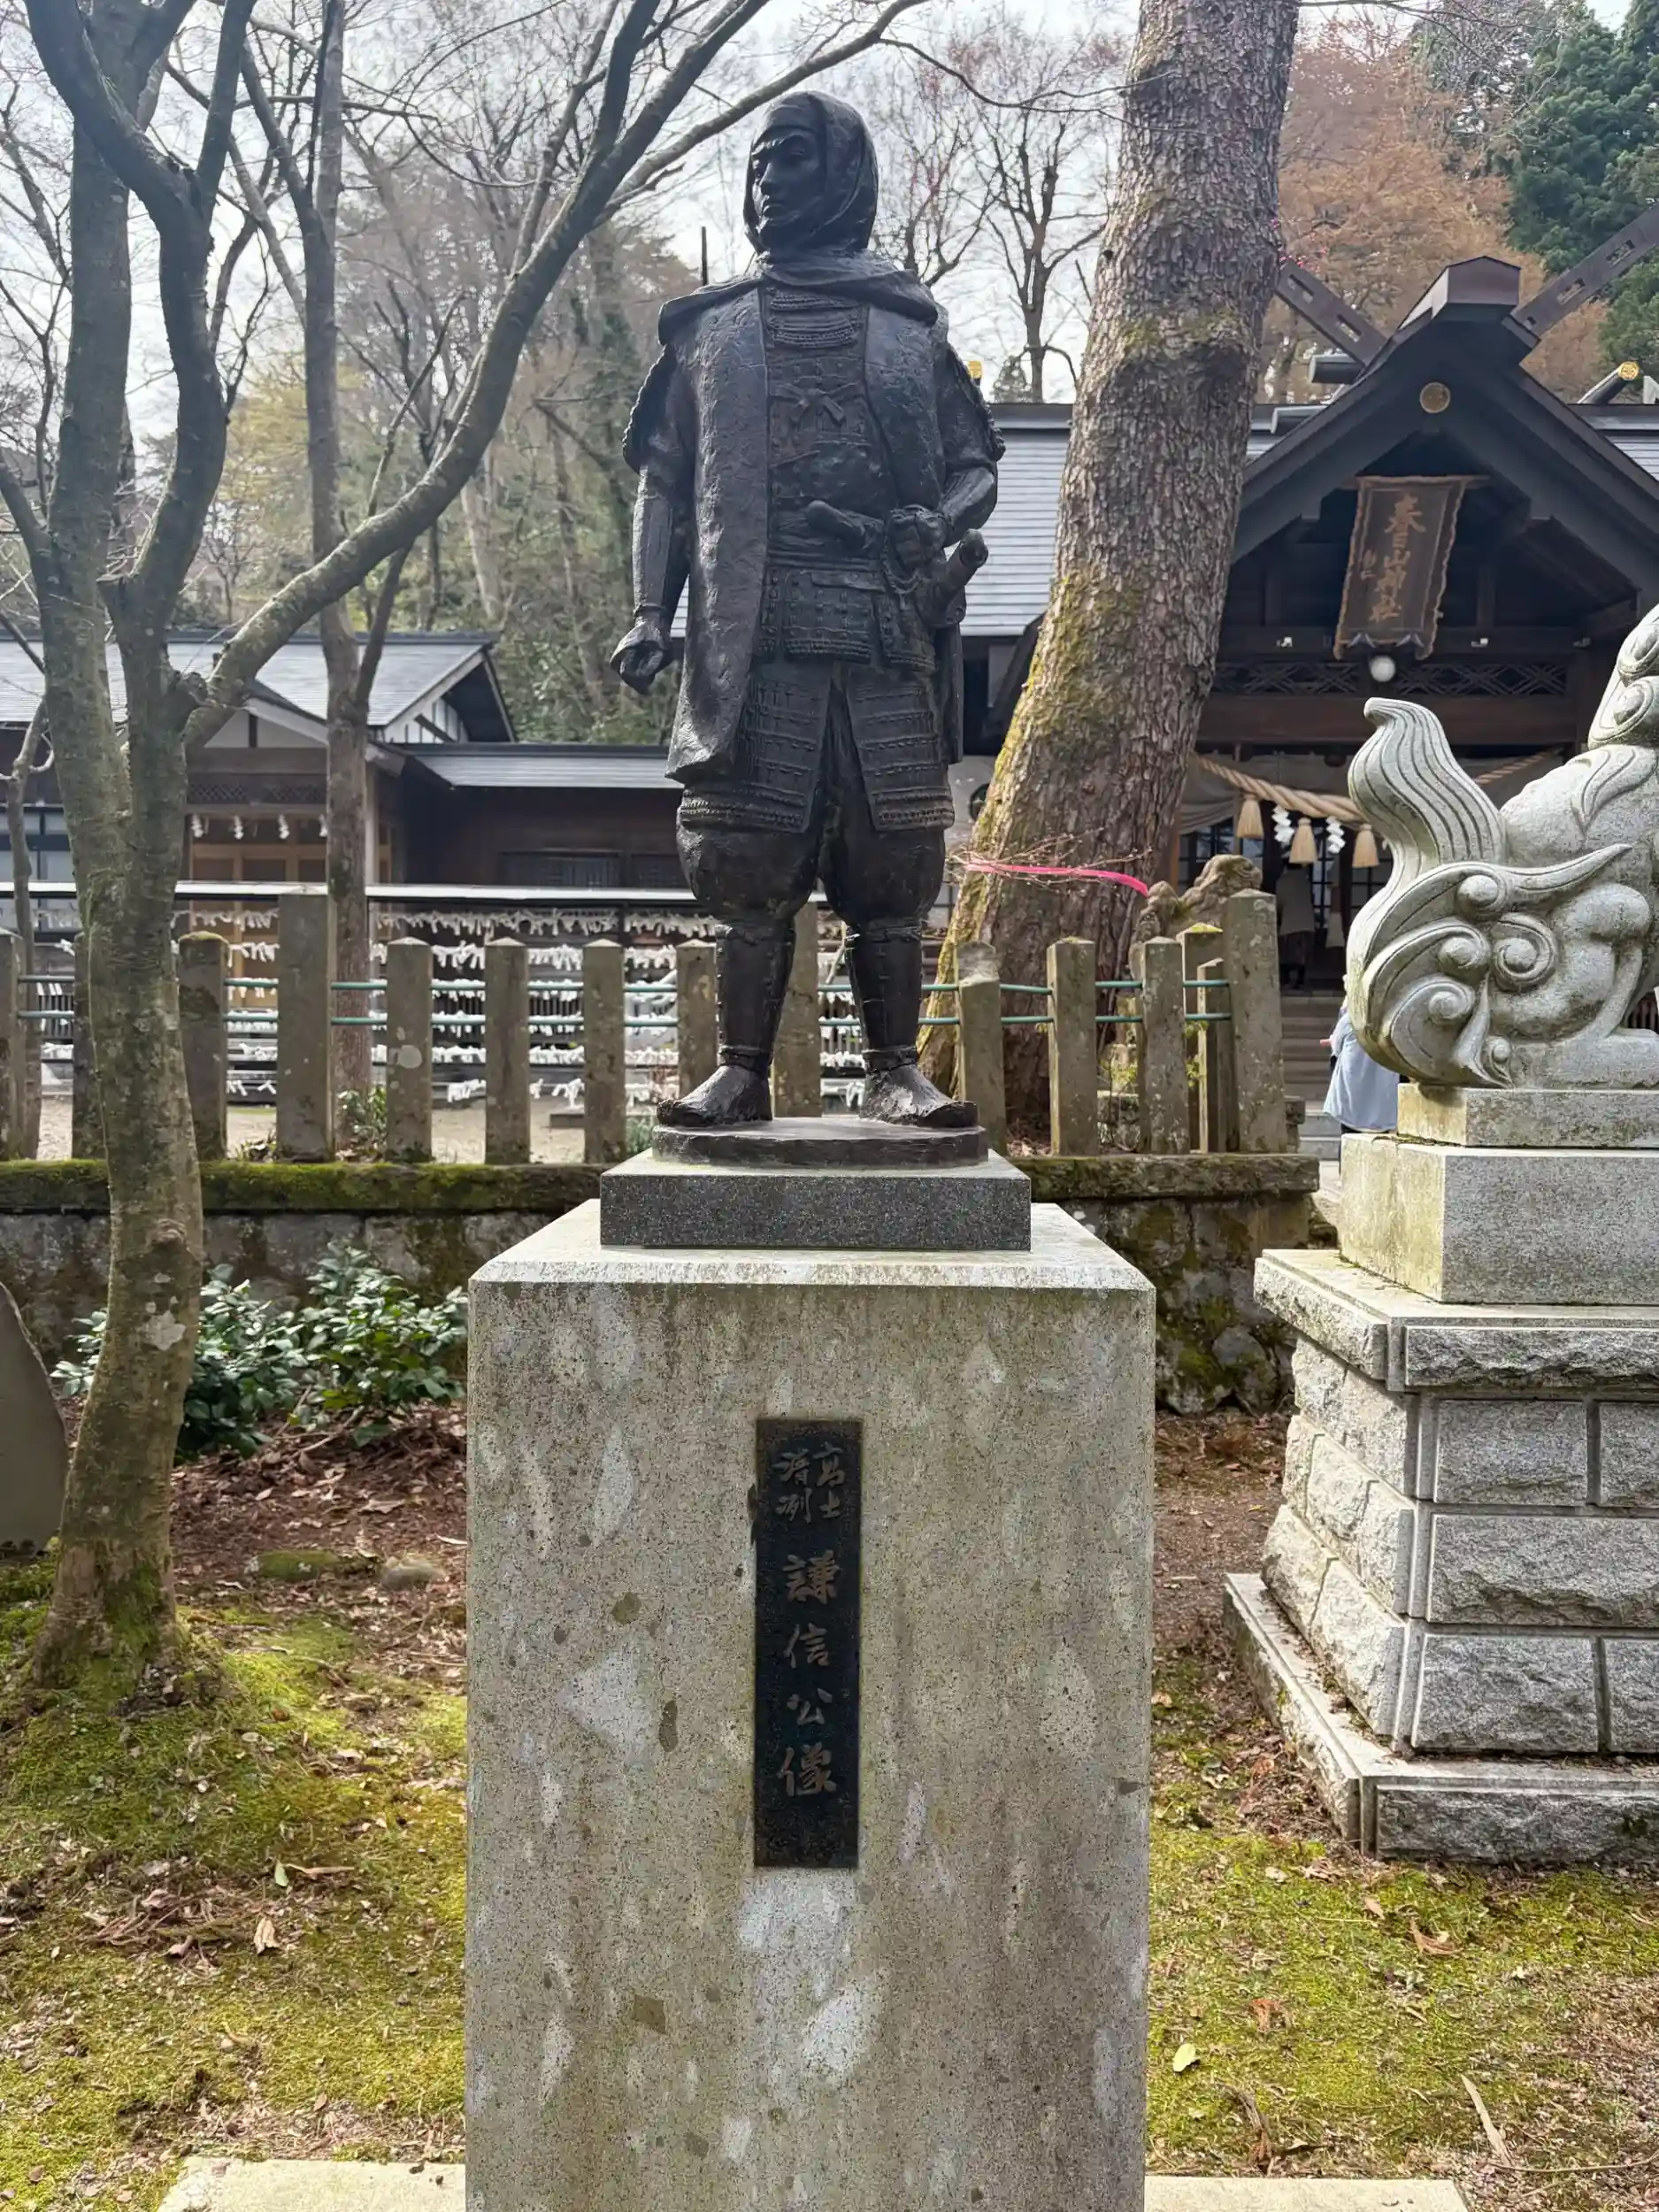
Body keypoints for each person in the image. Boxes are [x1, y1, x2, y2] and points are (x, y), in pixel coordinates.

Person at [611, 92, 1002, 1129]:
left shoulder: (908, 327)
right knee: (746, 855)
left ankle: (894, 1069)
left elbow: (975, 465)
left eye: (790, 160)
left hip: (881, 628)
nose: (769, 183)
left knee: (892, 861)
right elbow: (665, 479)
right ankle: (740, 1070)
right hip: (757, 631)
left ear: (842, 175)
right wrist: (650, 610)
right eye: (757, 166)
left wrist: (933, 522)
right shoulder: (712, 329)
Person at [1324, 999, 1399, 1133]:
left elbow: (1337, 1048)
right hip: (1383, 1096)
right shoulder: (1393, 1021)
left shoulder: (1350, 1020)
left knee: (1348, 1135)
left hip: (1352, 1095)